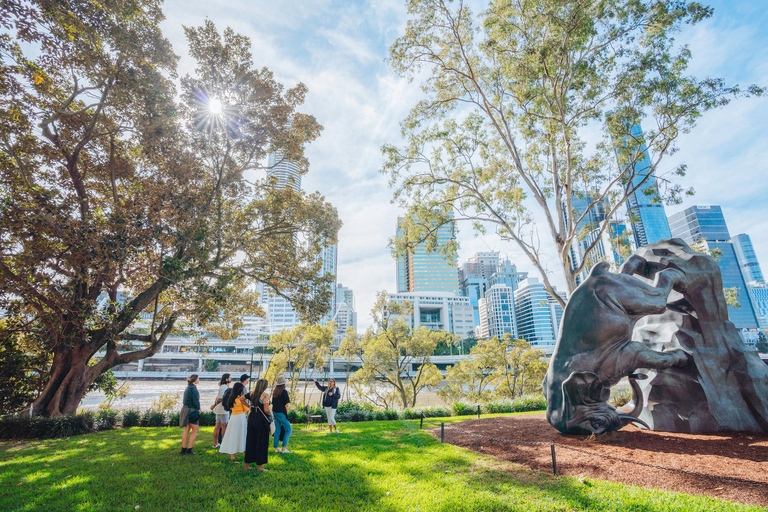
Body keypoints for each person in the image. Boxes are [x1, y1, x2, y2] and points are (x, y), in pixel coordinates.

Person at [244, 378, 272, 472]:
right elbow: (266, 409)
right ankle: (259, 467)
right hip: (261, 420)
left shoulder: (252, 393)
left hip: (252, 418)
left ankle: (247, 465)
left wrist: (249, 407)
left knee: (250, 440)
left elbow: (241, 398)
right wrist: (271, 415)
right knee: (261, 441)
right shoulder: (265, 395)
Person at [219, 382, 250, 462]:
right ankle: (245, 453)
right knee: (243, 435)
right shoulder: (240, 398)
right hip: (240, 417)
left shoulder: (232, 398)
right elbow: (246, 408)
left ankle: (232, 456)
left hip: (233, 417)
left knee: (233, 435)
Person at [271, 375, 292, 453]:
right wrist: (287, 414)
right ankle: (283, 448)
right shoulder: (284, 391)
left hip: (275, 412)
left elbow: (273, 403)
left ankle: (276, 448)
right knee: (289, 429)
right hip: (281, 413)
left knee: (277, 430)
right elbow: (287, 404)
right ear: (284, 384)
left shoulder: (275, 391)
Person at [181, 374, 200, 455]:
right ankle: (189, 449)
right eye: (198, 379)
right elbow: (196, 401)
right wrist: (198, 408)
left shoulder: (188, 388)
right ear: (195, 380)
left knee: (187, 429)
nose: (199, 380)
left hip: (186, 410)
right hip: (192, 411)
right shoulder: (193, 389)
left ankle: (183, 449)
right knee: (195, 430)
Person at [211, 373, 231, 448]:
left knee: (218, 426)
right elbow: (219, 399)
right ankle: (225, 444)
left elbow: (217, 398)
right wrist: (214, 405)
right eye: (229, 378)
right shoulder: (224, 387)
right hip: (223, 409)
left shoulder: (223, 387)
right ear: (226, 379)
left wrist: (214, 405)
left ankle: (216, 443)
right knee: (224, 426)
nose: (230, 379)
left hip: (219, 410)